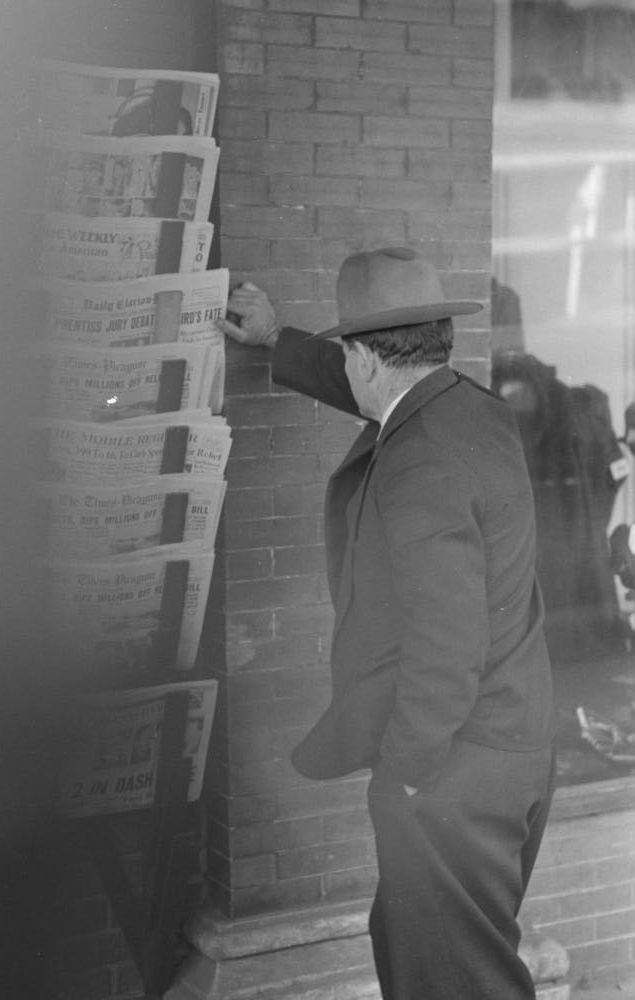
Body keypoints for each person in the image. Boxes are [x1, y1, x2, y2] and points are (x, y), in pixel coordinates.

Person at [217, 247, 556, 1000]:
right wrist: (280, 340)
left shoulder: (419, 466)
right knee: (434, 957)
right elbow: (390, 400)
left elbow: (448, 644)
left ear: (363, 357)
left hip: (452, 773)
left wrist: (406, 771)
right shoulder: (475, 412)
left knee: (456, 982)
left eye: (349, 359)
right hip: (516, 749)